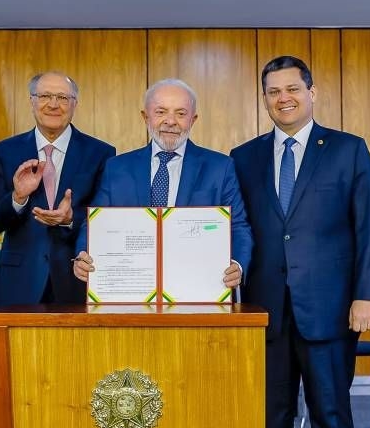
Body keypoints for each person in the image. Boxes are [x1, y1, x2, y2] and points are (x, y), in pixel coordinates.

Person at [230, 56, 370, 428]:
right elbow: (237, 227)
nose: (283, 98)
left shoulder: (347, 149)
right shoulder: (243, 157)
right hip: (265, 311)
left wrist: (367, 295)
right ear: (265, 99)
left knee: (331, 415)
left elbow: (369, 226)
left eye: (292, 89)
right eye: (274, 92)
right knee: (270, 416)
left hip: (330, 308)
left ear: (311, 93)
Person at [72, 78, 251, 290]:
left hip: (197, 287)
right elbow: (95, 222)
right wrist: (82, 254)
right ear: (145, 117)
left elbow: (237, 226)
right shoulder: (116, 168)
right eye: (161, 112)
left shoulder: (220, 167)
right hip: (132, 287)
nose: (171, 121)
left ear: (193, 120)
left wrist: (237, 264)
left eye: (181, 113)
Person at [0, 72, 115, 306]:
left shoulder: (101, 153)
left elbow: (105, 218)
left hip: (76, 279)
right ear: (32, 101)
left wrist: (70, 219)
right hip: (18, 281)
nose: (54, 104)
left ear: (75, 104)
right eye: (45, 96)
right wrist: (18, 197)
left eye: (63, 98)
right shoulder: (6, 151)